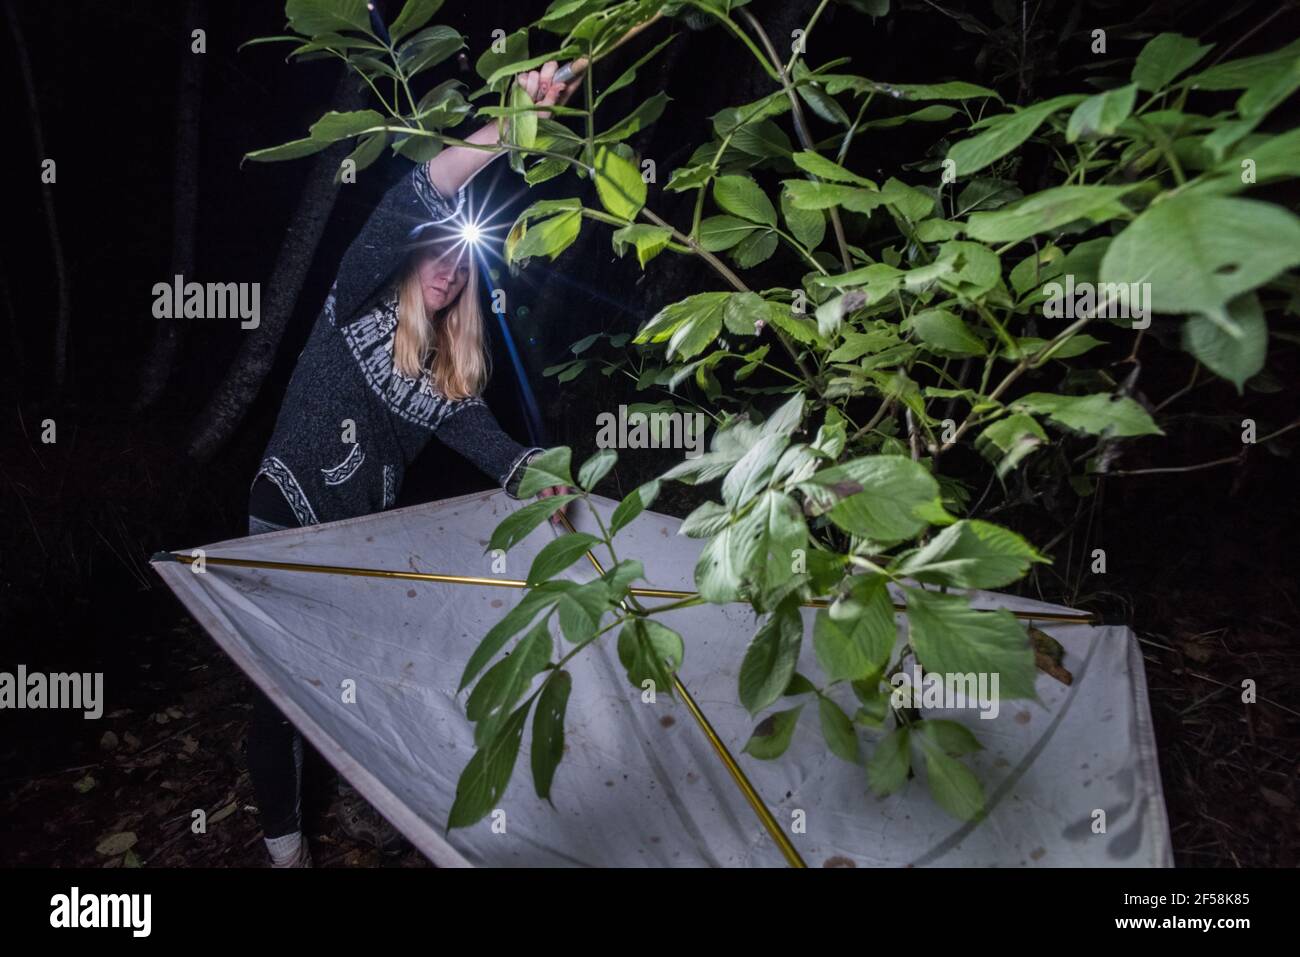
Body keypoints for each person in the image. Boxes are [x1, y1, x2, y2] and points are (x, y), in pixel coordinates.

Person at [245, 62, 579, 867]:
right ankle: (283, 848)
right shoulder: (353, 298)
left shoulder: (448, 386)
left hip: (360, 553)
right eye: (436, 252)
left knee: (367, 680)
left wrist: (548, 480)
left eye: (461, 262)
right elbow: (417, 193)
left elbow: (503, 453)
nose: (447, 267)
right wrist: (509, 123)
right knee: (280, 694)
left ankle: (409, 811)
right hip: (288, 516)